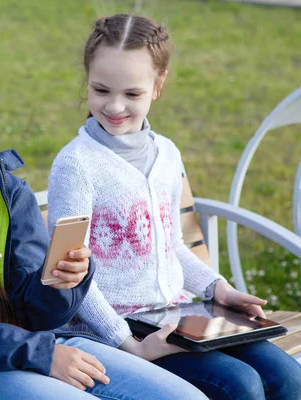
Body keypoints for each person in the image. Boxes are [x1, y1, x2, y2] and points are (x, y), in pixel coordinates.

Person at [0, 41, 208, 400]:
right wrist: (41, 354)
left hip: (40, 346)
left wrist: (64, 282)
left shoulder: (5, 189)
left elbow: (39, 313)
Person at [47, 14, 301, 400]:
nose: (114, 106)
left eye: (132, 94)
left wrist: (218, 288)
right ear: (88, 82)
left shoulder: (166, 153)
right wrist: (126, 342)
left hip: (182, 315)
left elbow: (172, 246)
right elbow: (69, 274)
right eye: (100, 90)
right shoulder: (76, 165)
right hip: (123, 327)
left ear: (158, 86)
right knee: (241, 386)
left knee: (287, 378)